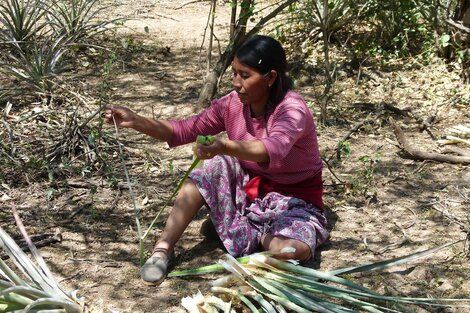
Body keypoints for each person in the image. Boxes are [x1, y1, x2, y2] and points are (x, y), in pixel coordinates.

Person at [104, 35, 329, 285]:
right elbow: (183, 130)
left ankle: (236, 227)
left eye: (245, 75)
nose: (236, 83)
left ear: (271, 77)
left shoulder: (291, 109)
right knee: (212, 167)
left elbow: (272, 148)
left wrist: (224, 145)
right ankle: (163, 248)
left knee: (290, 253)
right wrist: (136, 121)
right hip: (249, 191)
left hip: (296, 203)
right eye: (234, 73)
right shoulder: (232, 104)